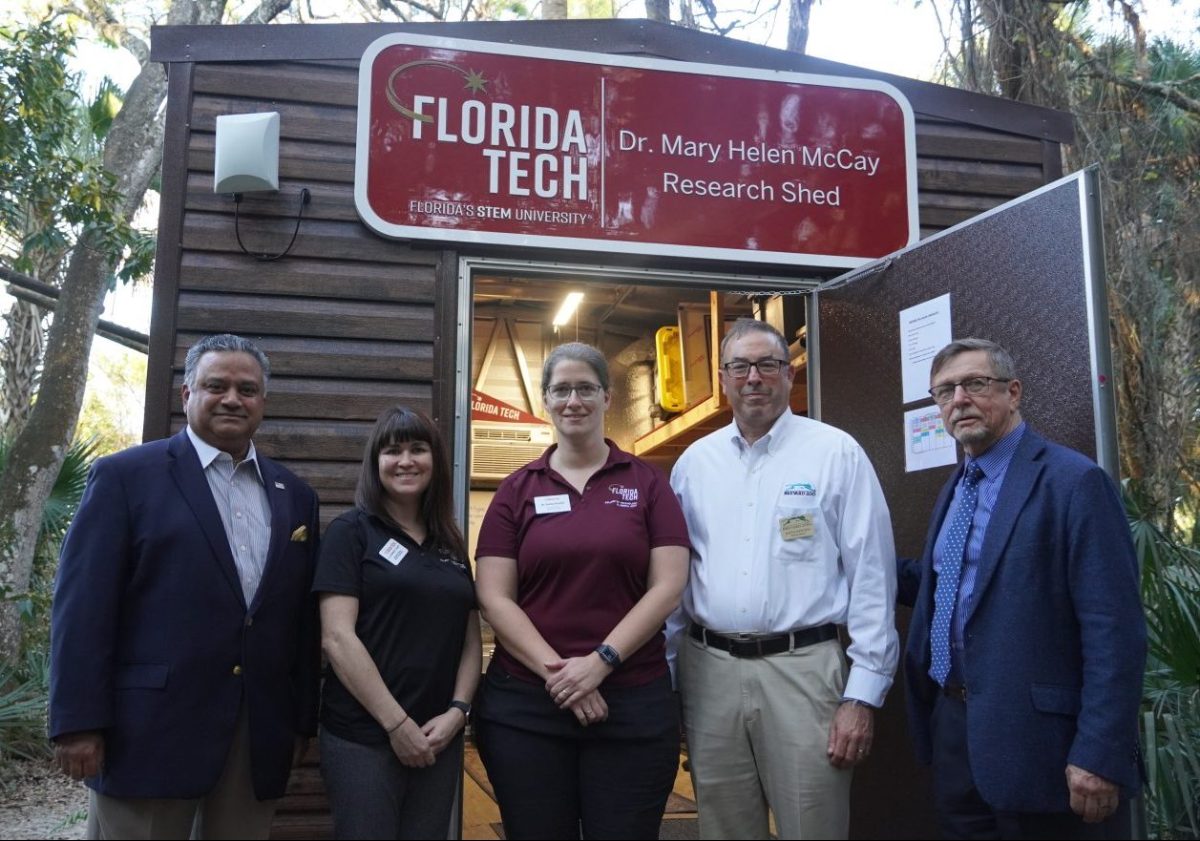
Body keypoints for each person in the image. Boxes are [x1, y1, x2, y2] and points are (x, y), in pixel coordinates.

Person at [49, 333, 321, 840]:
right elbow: (83, 608)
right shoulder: (126, 477)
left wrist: (302, 719)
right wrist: (77, 722)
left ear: (263, 401)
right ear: (187, 395)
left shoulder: (295, 496)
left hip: (256, 729)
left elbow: (300, 620)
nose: (233, 398)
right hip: (148, 730)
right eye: (216, 385)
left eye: (248, 389)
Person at [899, 338, 1146, 840]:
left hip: (1043, 747)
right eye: (944, 391)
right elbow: (947, 587)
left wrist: (1098, 752)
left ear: (1013, 393)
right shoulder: (957, 487)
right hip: (956, 733)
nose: (959, 399)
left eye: (975, 384)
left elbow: (1113, 630)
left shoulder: (1073, 482)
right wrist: (853, 561)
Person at [668, 317, 898, 840]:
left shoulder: (835, 453)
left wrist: (861, 696)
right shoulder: (693, 466)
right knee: (724, 828)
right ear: (723, 379)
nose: (754, 377)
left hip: (805, 671)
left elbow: (872, 578)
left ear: (788, 375)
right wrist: (670, 680)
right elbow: (676, 581)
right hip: (710, 674)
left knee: (812, 825)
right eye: (740, 367)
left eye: (767, 365)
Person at [474, 341, 690, 840]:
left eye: (586, 388)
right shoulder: (516, 490)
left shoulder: (647, 483)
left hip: (631, 704)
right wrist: (563, 677)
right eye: (562, 389)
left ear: (607, 398)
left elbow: (668, 585)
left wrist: (600, 663)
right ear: (546, 400)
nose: (574, 400)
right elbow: (494, 596)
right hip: (527, 709)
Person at [314, 406, 481, 839]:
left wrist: (458, 713)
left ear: (435, 461)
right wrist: (396, 724)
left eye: (418, 449)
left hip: (437, 736)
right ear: (376, 464)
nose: (406, 461)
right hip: (364, 737)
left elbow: (468, 637)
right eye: (393, 451)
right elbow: (336, 637)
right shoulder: (351, 532)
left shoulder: (450, 541)